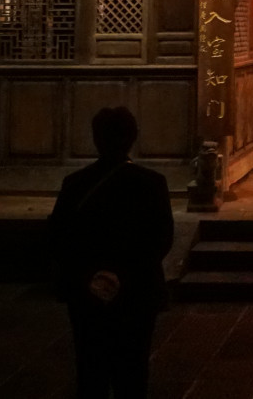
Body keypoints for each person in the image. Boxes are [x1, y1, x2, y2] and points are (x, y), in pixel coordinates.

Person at [49, 106, 175, 399]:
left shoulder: (76, 183)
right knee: (133, 368)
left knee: (90, 366)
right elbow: (162, 238)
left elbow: (59, 236)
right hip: (137, 288)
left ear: (96, 138)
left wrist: (92, 274)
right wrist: (125, 274)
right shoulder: (151, 183)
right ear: (132, 137)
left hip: (86, 288)